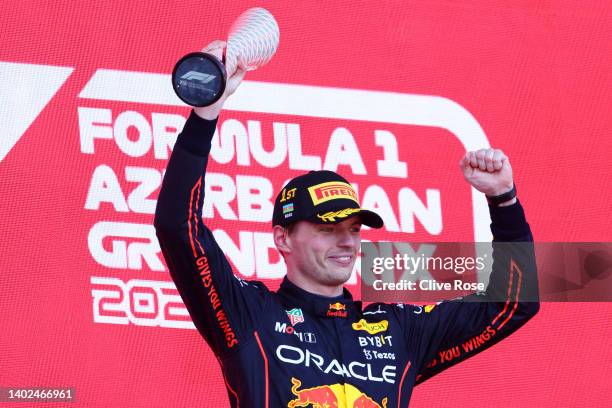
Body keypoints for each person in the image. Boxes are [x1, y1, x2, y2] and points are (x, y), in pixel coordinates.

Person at [154, 41, 539, 408]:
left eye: (354, 230)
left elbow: (515, 302)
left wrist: (504, 201)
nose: (347, 243)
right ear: (283, 238)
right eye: (327, 229)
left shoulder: (398, 331)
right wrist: (205, 115)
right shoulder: (250, 314)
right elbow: (177, 228)